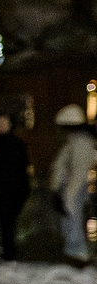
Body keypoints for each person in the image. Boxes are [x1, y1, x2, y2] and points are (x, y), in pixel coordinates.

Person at [51, 103, 95, 265]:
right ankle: (75, 254)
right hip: (67, 191)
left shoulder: (81, 144)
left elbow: (78, 173)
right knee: (70, 223)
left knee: (73, 222)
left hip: (72, 191)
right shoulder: (74, 143)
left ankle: (77, 255)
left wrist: (69, 196)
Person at [0, 113, 30, 260]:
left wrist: (22, 193)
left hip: (10, 194)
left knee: (8, 228)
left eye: (5, 123)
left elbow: (23, 171)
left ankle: (9, 257)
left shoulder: (17, 145)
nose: (1, 126)